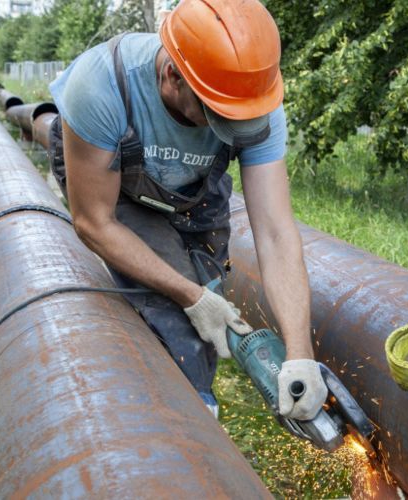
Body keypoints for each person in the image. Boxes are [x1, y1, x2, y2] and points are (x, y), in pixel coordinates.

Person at [46, 0, 326, 421]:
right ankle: (178, 424)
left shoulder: (251, 99)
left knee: (208, 289)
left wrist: (301, 353)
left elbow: (274, 233)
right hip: (114, 188)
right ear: (172, 76)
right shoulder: (102, 84)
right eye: (219, 117)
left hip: (191, 192)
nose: (232, 130)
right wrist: (189, 296)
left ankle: (195, 403)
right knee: (176, 312)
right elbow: (93, 223)